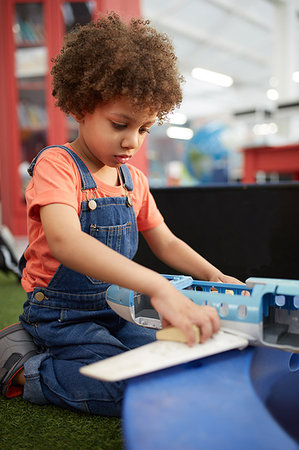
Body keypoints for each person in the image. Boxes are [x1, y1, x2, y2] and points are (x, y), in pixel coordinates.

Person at [0, 13, 244, 415]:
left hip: (116, 307)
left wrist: (214, 275)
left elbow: (164, 239)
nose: (132, 141)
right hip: (60, 313)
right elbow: (66, 241)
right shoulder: (57, 165)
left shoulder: (134, 180)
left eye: (145, 128)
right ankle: (22, 365)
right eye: (120, 124)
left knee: (170, 363)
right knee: (126, 391)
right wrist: (160, 288)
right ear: (81, 107)